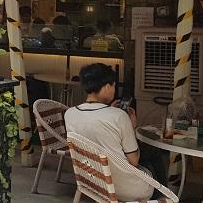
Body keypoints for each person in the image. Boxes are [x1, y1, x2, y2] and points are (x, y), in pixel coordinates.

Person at [65, 63, 168, 202]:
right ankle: (162, 196)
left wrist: (109, 110)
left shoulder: (69, 114)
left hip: (92, 180)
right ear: (107, 86)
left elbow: (95, 128)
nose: (114, 90)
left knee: (148, 153)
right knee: (151, 154)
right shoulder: (119, 116)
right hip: (125, 188)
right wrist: (131, 127)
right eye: (114, 85)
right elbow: (133, 161)